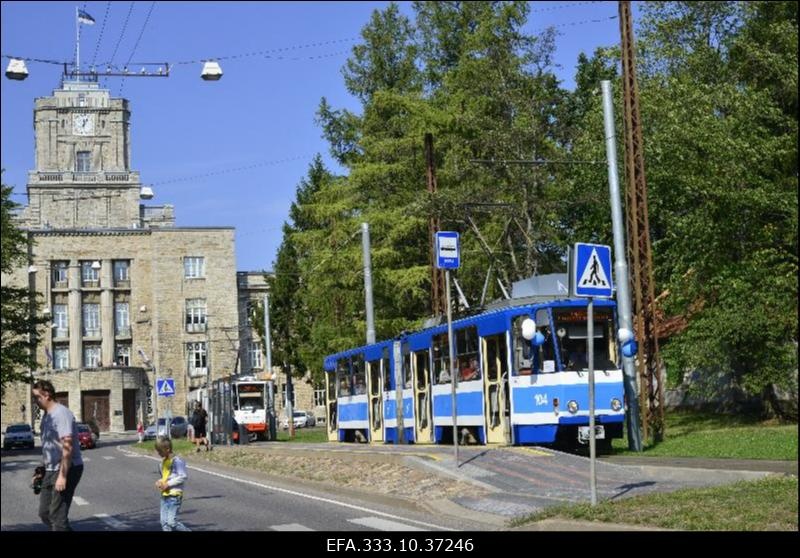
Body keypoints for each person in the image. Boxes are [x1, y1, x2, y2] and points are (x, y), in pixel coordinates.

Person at [31, 379, 84, 531]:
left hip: (67, 468)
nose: (35, 401)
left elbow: (67, 447)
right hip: (51, 469)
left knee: (57, 516)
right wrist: (42, 469)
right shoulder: (47, 416)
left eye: (37, 397)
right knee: (45, 513)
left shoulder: (61, 414)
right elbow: (51, 447)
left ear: (46, 394)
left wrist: (63, 476)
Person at [154, 437, 191, 531]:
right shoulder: (162, 462)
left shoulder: (177, 461)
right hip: (165, 495)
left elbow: (182, 476)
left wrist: (168, 484)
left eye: (160, 451)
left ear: (167, 449)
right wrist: (160, 481)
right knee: (164, 523)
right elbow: (166, 477)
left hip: (174, 496)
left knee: (172, 522)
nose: (158, 453)